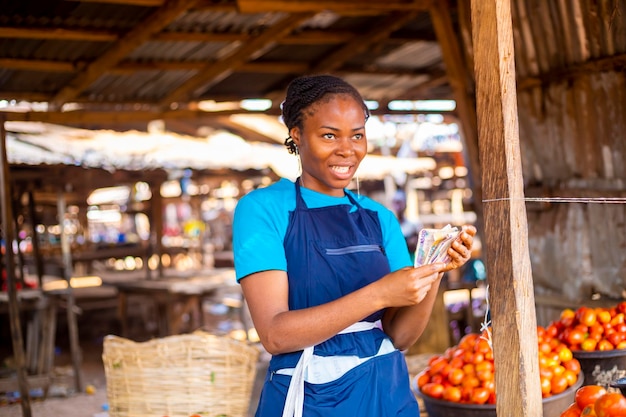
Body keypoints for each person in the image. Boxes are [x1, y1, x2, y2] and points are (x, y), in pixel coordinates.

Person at [232, 74, 476, 417]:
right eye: (329, 135)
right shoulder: (263, 209)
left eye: (357, 135)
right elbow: (275, 334)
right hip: (313, 398)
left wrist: (434, 270)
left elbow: (401, 336)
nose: (347, 150)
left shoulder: (380, 218)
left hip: (387, 392)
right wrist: (380, 294)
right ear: (297, 136)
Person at [391, 189, 421, 264]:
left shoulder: (413, 225)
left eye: (400, 202)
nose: (398, 206)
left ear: (405, 204)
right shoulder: (389, 226)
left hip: (410, 262)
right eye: (396, 202)